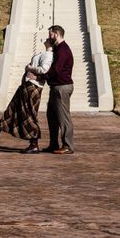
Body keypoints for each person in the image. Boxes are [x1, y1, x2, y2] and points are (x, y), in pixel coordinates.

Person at [0, 37, 54, 153]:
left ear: (51, 43)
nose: (46, 38)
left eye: (48, 38)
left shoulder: (48, 55)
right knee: (12, 108)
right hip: (27, 85)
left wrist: (30, 68)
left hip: (33, 86)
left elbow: (44, 69)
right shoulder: (43, 53)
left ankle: (34, 144)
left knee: (29, 114)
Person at [45, 24, 74, 154]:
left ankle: (67, 146)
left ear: (56, 34)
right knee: (52, 117)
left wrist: (41, 75)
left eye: (50, 34)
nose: (48, 37)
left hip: (62, 87)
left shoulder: (63, 50)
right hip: (56, 87)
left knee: (63, 117)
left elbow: (56, 70)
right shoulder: (57, 49)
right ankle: (54, 144)